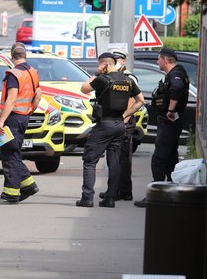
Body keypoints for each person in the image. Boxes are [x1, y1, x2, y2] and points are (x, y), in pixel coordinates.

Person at [77, 52, 143, 208]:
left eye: (100, 65)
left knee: (90, 160)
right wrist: (125, 115)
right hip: (120, 125)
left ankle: (87, 198)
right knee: (114, 161)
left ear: (104, 64)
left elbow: (84, 89)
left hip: (104, 125)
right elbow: (140, 101)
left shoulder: (103, 79)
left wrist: (96, 73)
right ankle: (110, 198)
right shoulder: (127, 80)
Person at [135, 47, 190, 207]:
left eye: (159, 59)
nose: (157, 62)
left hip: (170, 121)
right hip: (169, 122)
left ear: (165, 60)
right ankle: (171, 193)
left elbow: (177, 89)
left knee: (159, 158)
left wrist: (171, 110)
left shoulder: (176, 74)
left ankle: (156, 194)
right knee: (170, 157)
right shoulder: (175, 73)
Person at [0, 42, 42, 205]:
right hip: (24, 117)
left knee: (9, 155)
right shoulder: (33, 72)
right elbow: (38, 95)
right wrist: (29, 111)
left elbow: (11, 99)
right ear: (25, 55)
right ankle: (28, 185)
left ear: (12, 57)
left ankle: (11, 194)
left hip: (12, 118)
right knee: (13, 153)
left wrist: (1, 121)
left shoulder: (13, 74)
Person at [99, 50, 145, 202]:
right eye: (114, 59)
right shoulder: (113, 76)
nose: (116, 61)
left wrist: (124, 119)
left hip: (124, 122)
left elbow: (133, 101)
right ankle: (116, 189)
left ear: (124, 61)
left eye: (118, 59)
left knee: (121, 158)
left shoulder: (128, 77)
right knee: (115, 158)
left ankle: (123, 191)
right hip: (118, 121)